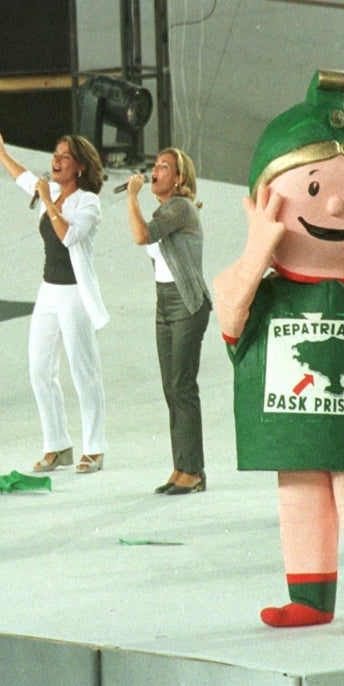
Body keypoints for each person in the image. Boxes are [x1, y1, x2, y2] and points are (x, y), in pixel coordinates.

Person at [213, 70, 344, 633]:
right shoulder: (267, 288)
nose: (334, 204)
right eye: (313, 188)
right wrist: (258, 248)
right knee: (299, 496)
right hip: (295, 426)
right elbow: (229, 312)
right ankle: (309, 598)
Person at [0, 130, 109, 474]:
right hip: (49, 290)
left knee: (84, 371)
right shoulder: (49, 191)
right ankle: (57, 444)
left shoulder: (88, 203)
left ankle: (94, 448)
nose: (55, 160)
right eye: (55, 153)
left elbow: (68, 236)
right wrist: (0, 150)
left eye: (64, 156)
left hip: (75, 294)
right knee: (40, 369)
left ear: (80, 167)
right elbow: (22, 176)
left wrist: (49, 201)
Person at [125, 149, 212, 495]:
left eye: (164, 166)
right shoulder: (164, 209)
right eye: (155, 164)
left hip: (187, 302)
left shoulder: (180, 207)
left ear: (178, 179)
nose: (155, 170)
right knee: (170, 388)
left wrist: (130, 197)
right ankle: (181, 466)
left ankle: (194, 471)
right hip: (164, 302)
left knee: (182, 385)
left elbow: (141, 236)